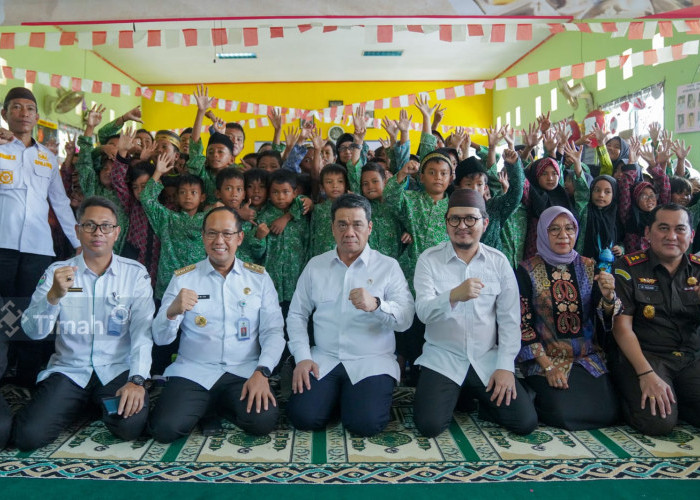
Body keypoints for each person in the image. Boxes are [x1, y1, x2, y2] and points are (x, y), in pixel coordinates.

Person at [13, 196, 153, 450]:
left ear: (116, 232)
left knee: (129, 427)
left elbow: (142, 333)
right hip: (70, 371)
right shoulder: (58, 272)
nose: (97, 232)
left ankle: (93, 403)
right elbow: (33, 332)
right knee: (28, 436)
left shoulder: (135, 274)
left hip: (115, 370)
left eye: (106, 226)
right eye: (89, 225)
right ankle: (81, 403)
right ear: (78, 231)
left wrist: (137, 380)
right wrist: (53, 297)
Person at [148, 207, 285, 441]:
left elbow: (273, 331)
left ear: (240, 238)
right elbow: (161, 338)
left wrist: (262, 372)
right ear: (203, 237)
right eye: (211, 233)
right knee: (165, 429)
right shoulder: (184, 278)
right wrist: (172, 312)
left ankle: (212, 407)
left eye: (227, 234)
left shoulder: (259, 278)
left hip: (242, 370)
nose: (219, 241)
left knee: (264, 421)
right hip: (194, 370)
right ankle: (205, 408)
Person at [412, 189, 537, 437]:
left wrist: (505, 367)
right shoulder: (428, 260)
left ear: (484, 222)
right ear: (446, 222)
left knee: (525, 422)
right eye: (455, 219)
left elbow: (510, 322)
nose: (463, 226)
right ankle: (462, 395)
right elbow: (423, 313)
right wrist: (453, 295)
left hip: (486, 359)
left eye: (471, 219)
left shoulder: (498, 262)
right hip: (443, 358)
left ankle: (473, 396)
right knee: (430, 426)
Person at [286, 194, 414, 436]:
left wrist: (377, 305)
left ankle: (349, 399)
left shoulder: (388, 267)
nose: (349, 232)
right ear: (332, 228)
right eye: (342, 224)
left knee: (364, 424)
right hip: (324, 359)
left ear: (369, 228)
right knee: (303, 417)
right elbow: (296, 315)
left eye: (357, 224)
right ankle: (334, 396)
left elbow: (406, 319)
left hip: (371, 361)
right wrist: (302, 357)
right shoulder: (316, 265)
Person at [0, 87, 81, 386]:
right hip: (2, 244)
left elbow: (59, 203)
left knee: (31, 308)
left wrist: (77, 244)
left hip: (38, 248)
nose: (23, 113)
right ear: (5, 113)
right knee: (3, 308)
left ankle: (26, 377)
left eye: (29, 108)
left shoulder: (47, 157)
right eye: (17, 107)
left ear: (36, 116)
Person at [517, 206, 620, 430]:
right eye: (554, 229)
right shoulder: (527, 270)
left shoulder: (589, 266)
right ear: (542, 233)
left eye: (569, 228)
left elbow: (604, 318)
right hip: (546, 358)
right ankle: (531, 391)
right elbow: (522, 324)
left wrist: (609, 296)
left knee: (609, 413)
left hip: (586, 357)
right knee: (564, 414)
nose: (563, 235)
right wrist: (548, 366)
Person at [612, 203, 700, 435]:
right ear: (648, 233)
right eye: (663, 228)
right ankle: (622, 394)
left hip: (691, 358)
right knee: (658, 423)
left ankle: (680, 399)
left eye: (680, 229)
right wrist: (646, 374)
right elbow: (622, 328)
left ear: (691, 236)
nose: (672, 236)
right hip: (647, 357)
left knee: (670, 408)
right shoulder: (627, 268)